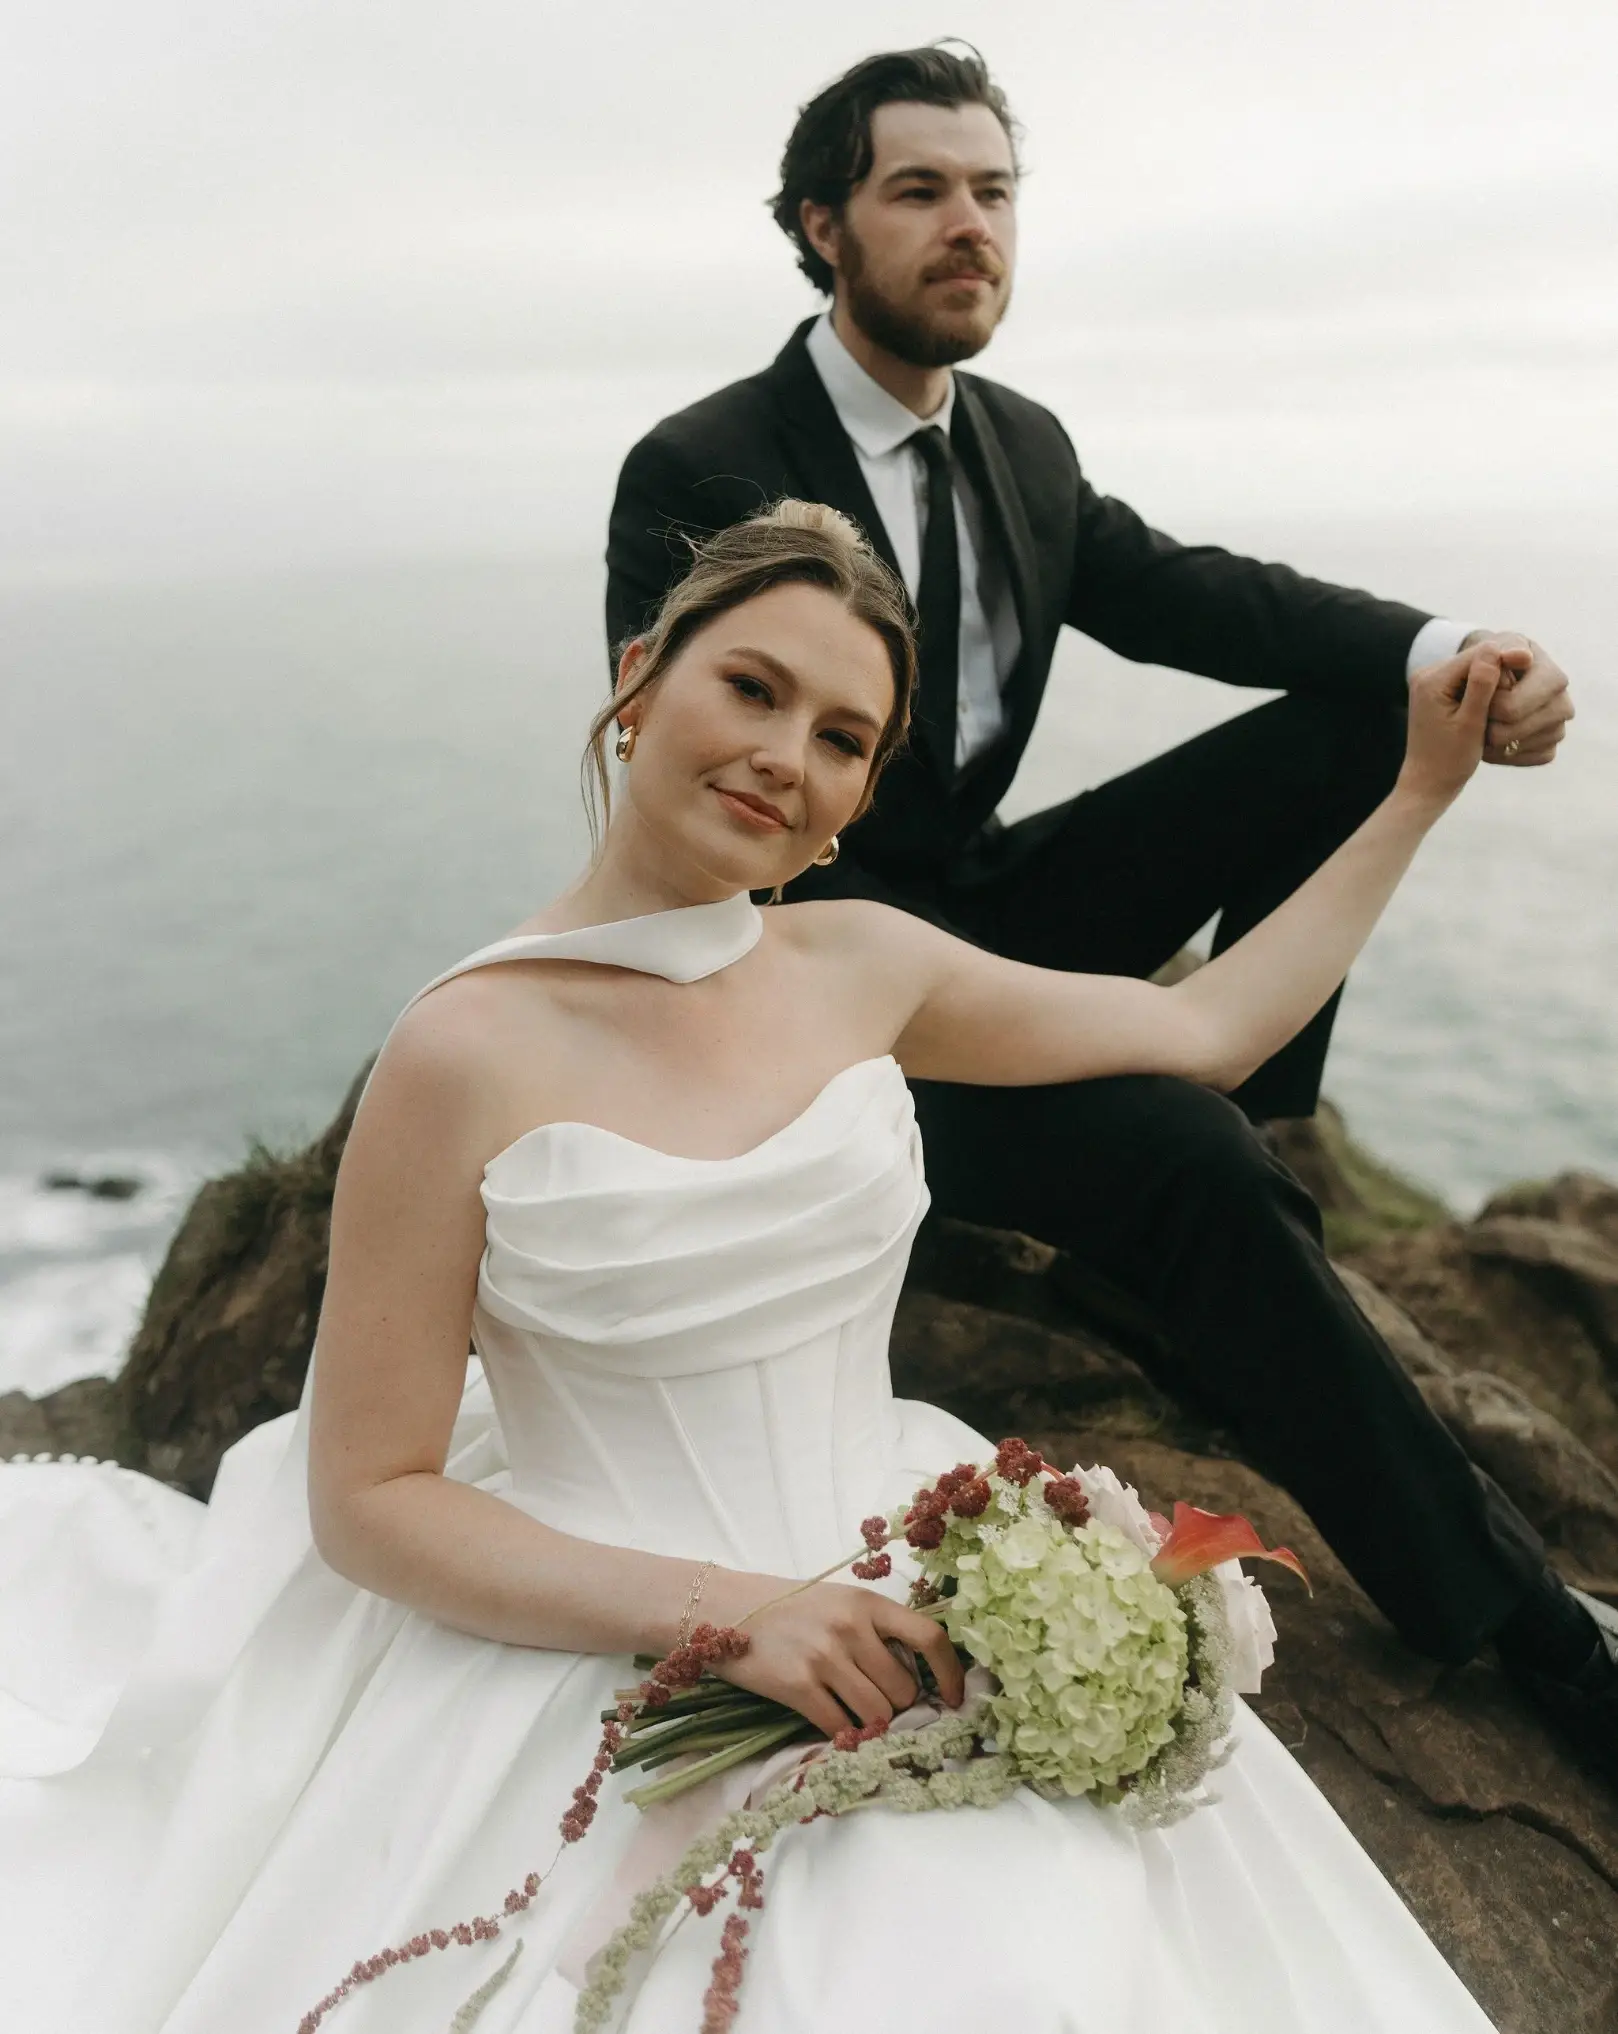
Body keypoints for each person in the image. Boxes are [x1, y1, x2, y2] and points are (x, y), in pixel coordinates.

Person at [0, 500, 1563, 2031]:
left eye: (839, 737)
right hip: (604, 1607)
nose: (781, 754)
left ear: (857, 797)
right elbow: (369, 1497)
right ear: (638, 678)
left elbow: (1209, 1029)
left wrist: (1420, 788)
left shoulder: (862, 962)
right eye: (750, 687)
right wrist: (729, 1615)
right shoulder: (457, 1051)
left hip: (890, 1547)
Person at [604, 45, 1613, 1776]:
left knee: (1345, 722)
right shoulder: (700, 463)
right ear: (818, 226)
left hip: (982, 913)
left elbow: (1207, 598)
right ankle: (1526, 1629)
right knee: (1180, 1170)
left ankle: (1250, 1152)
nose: (967, 225)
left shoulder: (1020, 446)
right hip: (816, 988)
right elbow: (703, 805)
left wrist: (1457, 655)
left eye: (993, 191)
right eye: (919, 190)